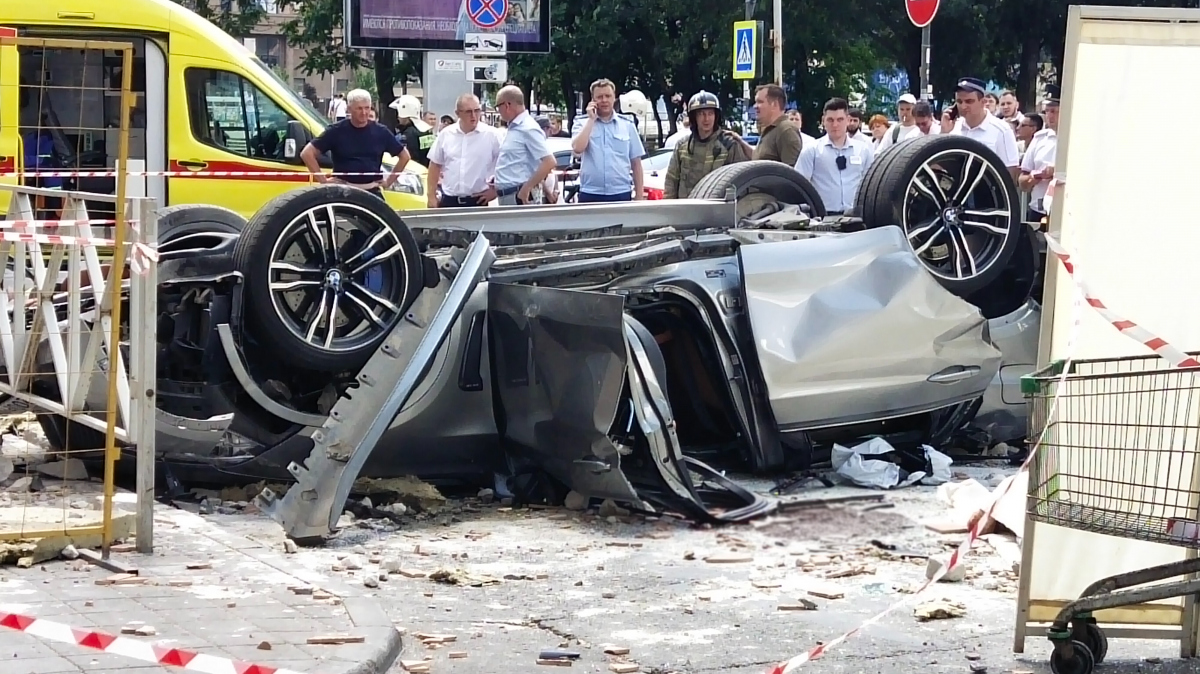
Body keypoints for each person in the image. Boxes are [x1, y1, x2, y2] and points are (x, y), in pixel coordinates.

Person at [301, 89, 410, 199]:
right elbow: (307, 153)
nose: (364, 113)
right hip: (342, 191)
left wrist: (388, 182)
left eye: (367, 108)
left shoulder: (381, 131)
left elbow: (405, 157)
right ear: (349, 109)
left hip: (372, 191)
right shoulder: (336, 131)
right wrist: (323, 181)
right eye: (359, 108)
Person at [663, 90, 751, 199]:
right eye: (701, 114)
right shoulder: (683, 146)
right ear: (694, 117)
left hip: (717, 211)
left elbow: (741, 182)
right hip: (686, 210)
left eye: (710, 113)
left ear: (716, 116)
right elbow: (671, 182)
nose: (706, 119)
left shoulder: (729, 144)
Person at [794, 98, 874, 215]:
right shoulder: (812, 150)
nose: (835, 125)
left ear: (847, 120)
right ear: (823, 121)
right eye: (830, 120)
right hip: (823, 215)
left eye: (840, 120)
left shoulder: (863, 149)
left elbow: (870, 185)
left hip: (855, 216)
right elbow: (799, 185)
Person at [571, 78, 646, 202]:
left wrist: (639, 196)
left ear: (614, 98)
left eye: (608, 96)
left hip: (621, 192)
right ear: (592, 100)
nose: (604, 100)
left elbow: (636, 163)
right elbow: (578, 149)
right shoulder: (582, 122)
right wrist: (591, 120)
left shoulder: (627, 124)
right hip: (590, 192)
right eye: (599, 97)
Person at [426, 93, 500, 208]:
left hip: (478, 200)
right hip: (449, 200)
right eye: (468, 112)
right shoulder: (446, 134)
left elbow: (506, 163)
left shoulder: (492, 135)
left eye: (477, 111)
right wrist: (431, 196)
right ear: (457, 113)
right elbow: (434, 165)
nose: (474, 116)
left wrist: (495, 190)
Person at [941, 77, 1020, 178]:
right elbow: (938, 164)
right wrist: (944, 133)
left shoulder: (1001, 130)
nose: (963, 106)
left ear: (983, 102)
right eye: (959, 102)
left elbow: (1011, 171)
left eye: (969, 101)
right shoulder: (952, 128)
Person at [493, 85, 556, 205]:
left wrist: (527, 188)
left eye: (498, 107)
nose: (499, 112)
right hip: (511, 194)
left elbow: (549, 161)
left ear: (507, 105)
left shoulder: (528, 128)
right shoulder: (516, 127)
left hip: (519, 196)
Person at [1019, 99, 1058, 222]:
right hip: (1038, 209)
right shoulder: (1040, 139)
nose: (1049, 116)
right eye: (1046, 111)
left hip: (1064, 210)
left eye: (1054, 111)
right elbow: (1022, 180)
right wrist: (1033, 178)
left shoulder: (1077, 139)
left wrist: (1055, 172)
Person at [751, 84, 802, 166]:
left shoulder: (786, 130)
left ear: (774, 104)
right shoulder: (771, 129)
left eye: (760, 102)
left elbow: (793, 173)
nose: (755, 106)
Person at [390, 95, 437, 167]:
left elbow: (409, 158)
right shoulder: (427, 131)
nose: (398, 117)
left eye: (398, 113)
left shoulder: (408, 134)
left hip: (414, 174)